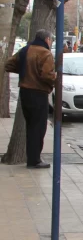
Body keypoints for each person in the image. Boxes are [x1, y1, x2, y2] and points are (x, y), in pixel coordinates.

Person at [4, 29, 56, 169]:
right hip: (39, 93)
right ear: (46, 39)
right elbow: (47, 75)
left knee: (31, 126)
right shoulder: (45, 53)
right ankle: (34, 160)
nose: (51, 43)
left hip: (25, 92)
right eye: (50, 40)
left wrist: (24, 71)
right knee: (38, 128)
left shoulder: (25, 50)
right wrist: (55, 78)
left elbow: (9, 65)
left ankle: (32, 158)